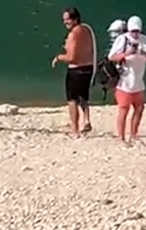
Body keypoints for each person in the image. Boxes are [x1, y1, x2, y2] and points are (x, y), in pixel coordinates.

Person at [108, 15, 146, 144]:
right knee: (124, 110)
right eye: (133, 31)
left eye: (137, 31)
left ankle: (134, 133)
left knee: (139, 108)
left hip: (138, 82)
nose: (135, 34)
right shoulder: (122, 40)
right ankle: (121, 137)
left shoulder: (144, 40)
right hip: (125, 82)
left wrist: (141, 52)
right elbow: (112, 57)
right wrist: (127, 53)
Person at [52, 7, 96, 136]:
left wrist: (59, 57)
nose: (65, 22)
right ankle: (87, 120)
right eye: (64, 20)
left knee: (72, 100)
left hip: (76, 70)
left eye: (67, 19)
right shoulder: (87, 30)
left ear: (75, 19)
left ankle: (74, 130)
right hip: (88, 68)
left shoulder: (73, 34)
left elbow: (72, 57)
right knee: (83, 97)